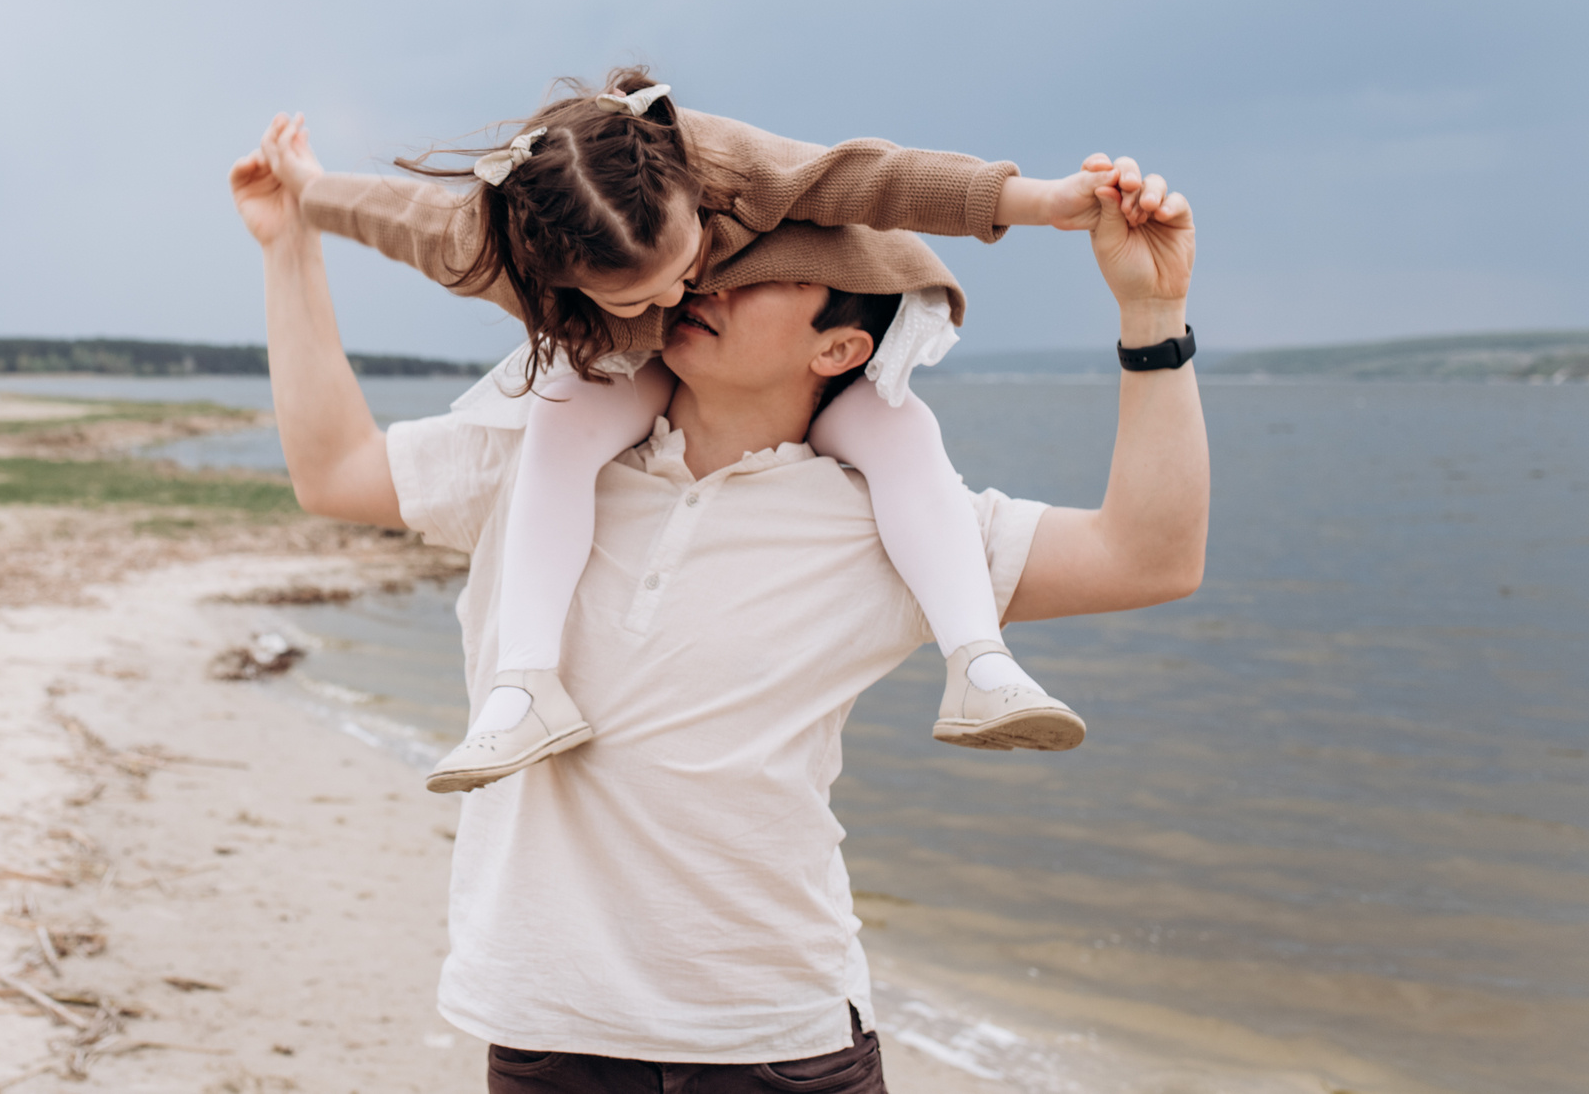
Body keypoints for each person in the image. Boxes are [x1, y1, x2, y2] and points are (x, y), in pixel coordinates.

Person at [228, 130, 1208, 1090]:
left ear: (842, 345)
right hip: (546, 1032)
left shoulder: (899, 523)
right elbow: (333, 471)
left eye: (766, 268)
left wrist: (1150, 314)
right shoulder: (533, 464)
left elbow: (1147, 557)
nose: (709, 280)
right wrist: (288, 247)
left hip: (779, 1044)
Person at [254, 75, 1140, 791]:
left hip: (835, 319)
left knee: (904, 434)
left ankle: (979, 663)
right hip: (642, 368)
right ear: (565, 285)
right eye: (641, 296)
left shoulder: (720, 161)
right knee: (559, 421)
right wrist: (305, 195)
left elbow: (876, 175)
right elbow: (399, 218)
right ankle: (523, 684)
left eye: (689, 262)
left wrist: (1041, 200)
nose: (680, 297)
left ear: (691, 193)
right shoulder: (505, 254)